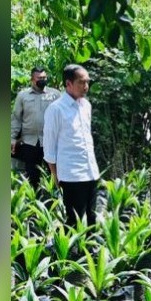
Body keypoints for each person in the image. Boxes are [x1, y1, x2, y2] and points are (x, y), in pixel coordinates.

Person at [43, 64, 101, 227]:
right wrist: (55, 176)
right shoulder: (56, 109)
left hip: (91, 172)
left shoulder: (86, 106)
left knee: (92, 219)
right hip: (71, 175)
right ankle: (71, 245)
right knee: (74, 222)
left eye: (87, 82)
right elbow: (49, 146)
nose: (86, 86)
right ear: (68, 83)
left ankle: (91, 244)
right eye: (81, 82)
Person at [11, 67, 60, 188]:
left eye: (44, 77)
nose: (42, 80)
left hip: (51, 142)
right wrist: (12, 138)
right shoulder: (23, 96)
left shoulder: (55, 95)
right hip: (30, 142)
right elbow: (16, 118)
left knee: (56, 176)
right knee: (32, 177)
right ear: (32, 79)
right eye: (39, 78)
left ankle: (58, 198)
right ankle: (35, 198)